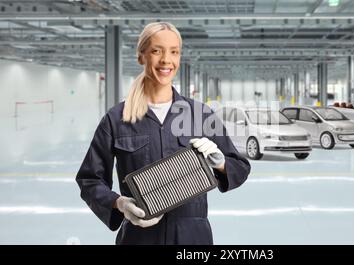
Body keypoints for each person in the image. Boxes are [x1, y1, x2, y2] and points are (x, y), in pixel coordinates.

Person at [75, 22, 250, 245]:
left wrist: (220, 163)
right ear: (141, 56)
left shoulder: (201, 114)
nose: (166, 59)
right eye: (157, 51)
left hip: (192, 238)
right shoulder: (116, 118)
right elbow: (89, 179)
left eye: (174, 52)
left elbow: (241, 168)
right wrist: (120, 204)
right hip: (139, 237)